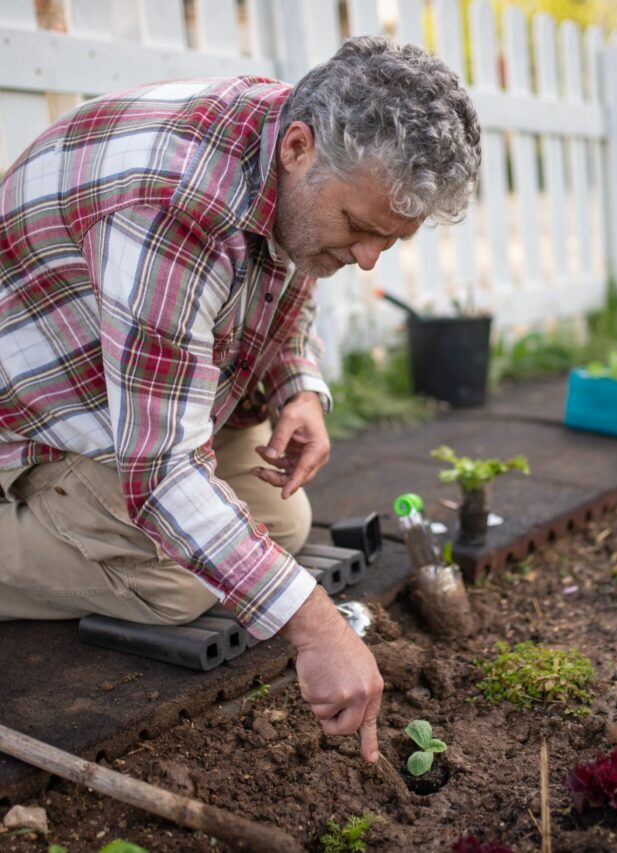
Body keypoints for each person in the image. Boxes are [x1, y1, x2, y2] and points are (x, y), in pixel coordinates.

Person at [0, 36, 480, 762]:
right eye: (358, 228)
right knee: (175, 583)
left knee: (281, 517)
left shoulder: (304, 154)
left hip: (124, 392)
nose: (367, 259)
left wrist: (298, 387)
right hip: (37, 420)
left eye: (388, 238)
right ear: (296, 148)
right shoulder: (173, 205)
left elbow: (292, 274)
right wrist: (318, 628)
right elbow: (160, 472)